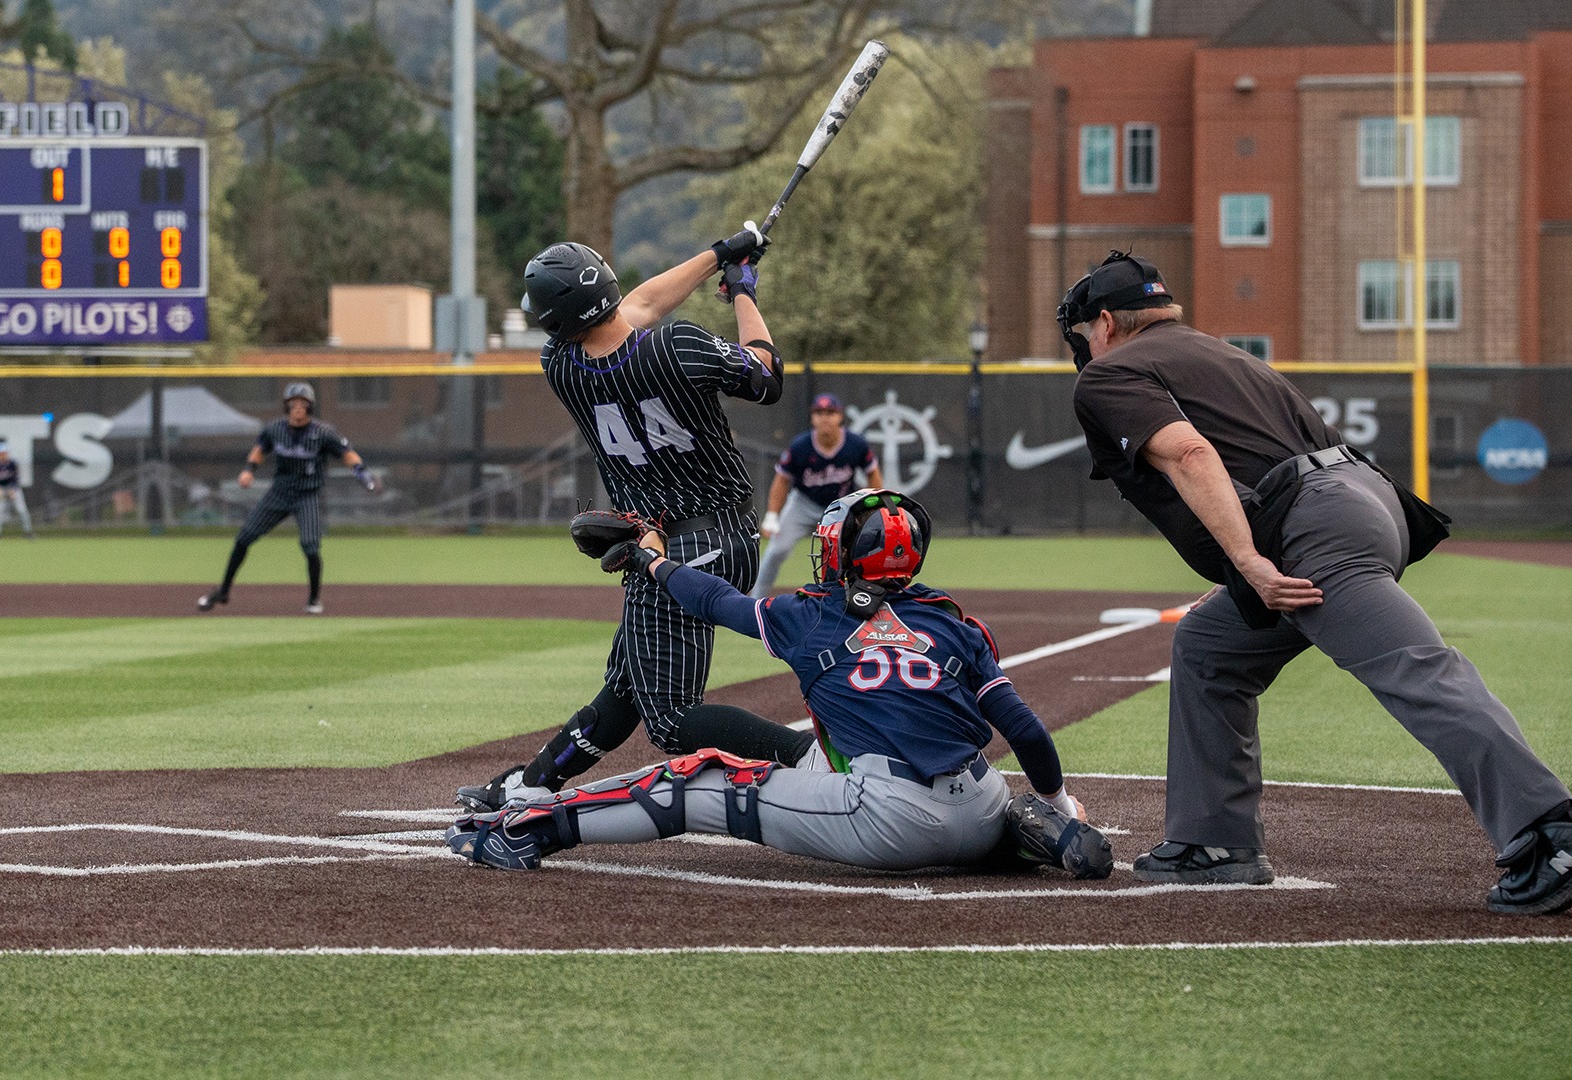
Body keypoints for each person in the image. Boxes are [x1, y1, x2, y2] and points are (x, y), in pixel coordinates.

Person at [1062, 249, 1572, 915]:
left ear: (1105, 322)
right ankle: (1215, 842)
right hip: (1358, 501)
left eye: (1081, 335)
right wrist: (1248, 567)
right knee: (1210, 647)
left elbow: (1191, 452)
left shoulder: (1112, 373)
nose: (1082, 348)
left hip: (1313, 525)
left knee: (1417, 669)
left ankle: (1553, 836)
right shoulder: (1214, 353)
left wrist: (1247, 561)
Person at [446, 488, 1113, 878]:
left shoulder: (811, 614)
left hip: (889, 816)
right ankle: (1037, 832)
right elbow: (1023, 729)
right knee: (817, 751)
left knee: (699, 778)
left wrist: (653, 562)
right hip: (981, 801)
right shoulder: (956, 623)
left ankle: (526, 830)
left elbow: (712, 600)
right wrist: (1058, 800)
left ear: (846, 556)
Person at [455, 231, 819, 812]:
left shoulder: (562, 366)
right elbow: (767, 376)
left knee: (672, 720)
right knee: (626, 688)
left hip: (670, 549)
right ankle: (533, 784)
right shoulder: (678, 347)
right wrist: (743, 291)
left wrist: (718, 257)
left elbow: (634, 310)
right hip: (716, 534)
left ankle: (809, 758)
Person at [196, 382, 380, 616]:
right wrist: (249, 469)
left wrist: (362, 474)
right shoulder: (275, 429)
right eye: (293, 404)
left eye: (303, 404)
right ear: (287, 406)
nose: (298, 408)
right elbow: (260, 448)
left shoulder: (323, 432)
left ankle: (314, 599)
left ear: (310, 407)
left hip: (308, 494)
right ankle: (223, 591)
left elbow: (347, 453)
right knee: (243, 539)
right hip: (279, 493)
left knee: (310, 547)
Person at [749, 392, 882, 598]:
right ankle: (756, 601)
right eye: (819, 413)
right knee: (777, 550)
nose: (824, 418)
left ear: (840, 417)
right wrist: (772, 516)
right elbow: (782, 480)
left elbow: (872, 473)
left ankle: (864, 597)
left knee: (858, 553)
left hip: (842, 507)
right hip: (803, 504)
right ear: (812, 418)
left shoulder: (855, 444)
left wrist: (874, 506)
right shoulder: (801, 446)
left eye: (830, 412)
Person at [0, 442, 34, 540]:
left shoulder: (12, 464)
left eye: (5, 453)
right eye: (1, 453)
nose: (3, 455)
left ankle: (28, 532)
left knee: (22, 510)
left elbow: (16, 479)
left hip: (13, 489)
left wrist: (12, 490)